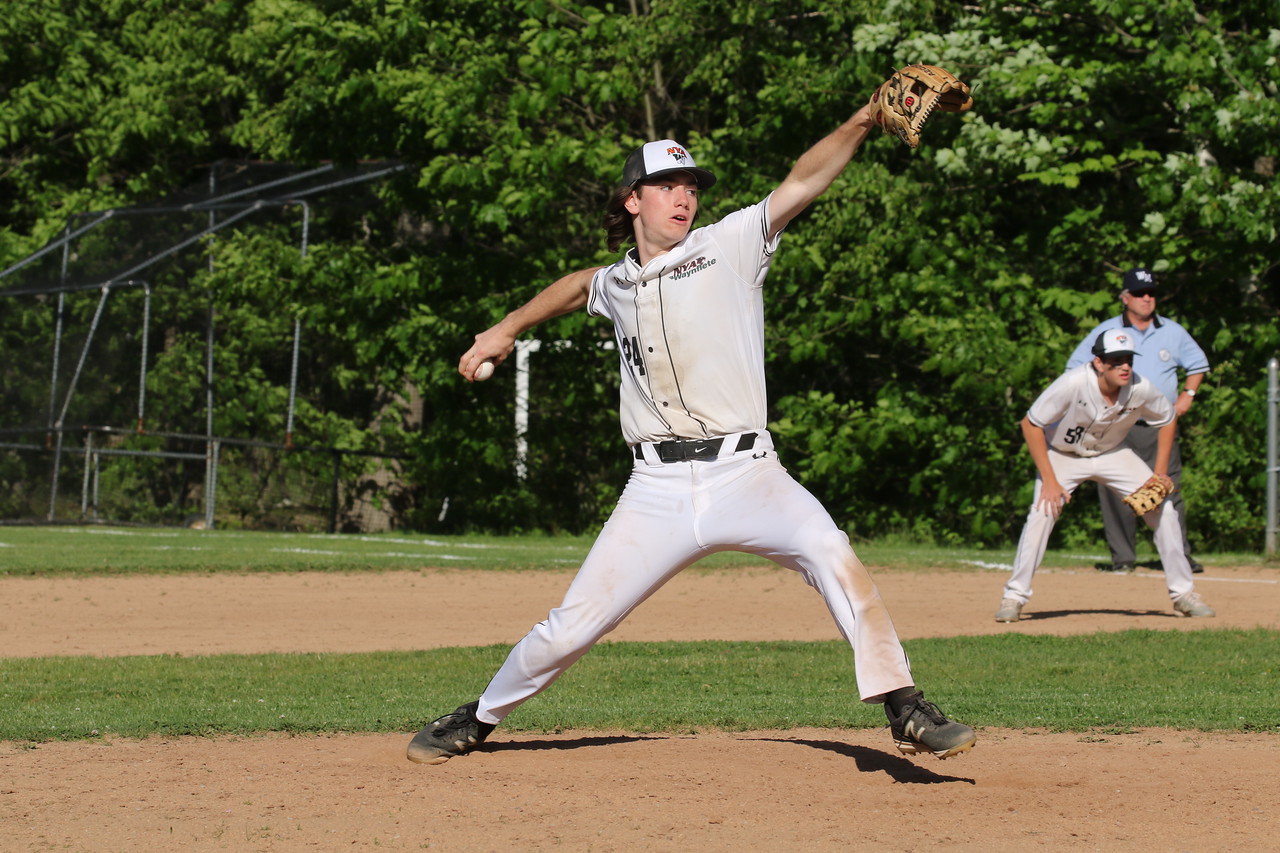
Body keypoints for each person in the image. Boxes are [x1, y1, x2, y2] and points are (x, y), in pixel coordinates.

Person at [406, 109, 976, 765]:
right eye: (667, 184)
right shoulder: (617, 282)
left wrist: (864, 120)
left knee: (831, 550)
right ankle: (478, 716)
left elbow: (803, 181)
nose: (684, 196)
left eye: (691, 185)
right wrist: (505, 327)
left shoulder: (729, 244)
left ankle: (904, 703)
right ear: (632, 199)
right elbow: (574, 287)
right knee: (573, 625)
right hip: (657, 488)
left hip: (749, 475)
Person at [994, 328, 1216, 623]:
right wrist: (1049, 480)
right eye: (1116, 360)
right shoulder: (1073, 383)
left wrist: (1158, 474)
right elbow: (1030, 424)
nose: (1125, 366)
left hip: (1113, 454)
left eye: (1128, 359)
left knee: (1164, 510)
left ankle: (1184, 595)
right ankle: (1014, 597)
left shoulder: (1140, 387)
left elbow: (1167, 418)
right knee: (1042, 513)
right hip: (1063, 456)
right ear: (1099, 363)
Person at [1065, 268, 1210, 573]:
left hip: (1159, 426)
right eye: (1140, 293)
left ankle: (1178, 555)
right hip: (1116, 424)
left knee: (1168, 487)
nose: (1147, 298)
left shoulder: (1172, 331)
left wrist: (1188, 394)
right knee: (1115, 489)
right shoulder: (1107, 332)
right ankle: (1123, 558)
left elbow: (1197, 365)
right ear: (1125, 297)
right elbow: (1075, 368)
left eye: (1152, 293)